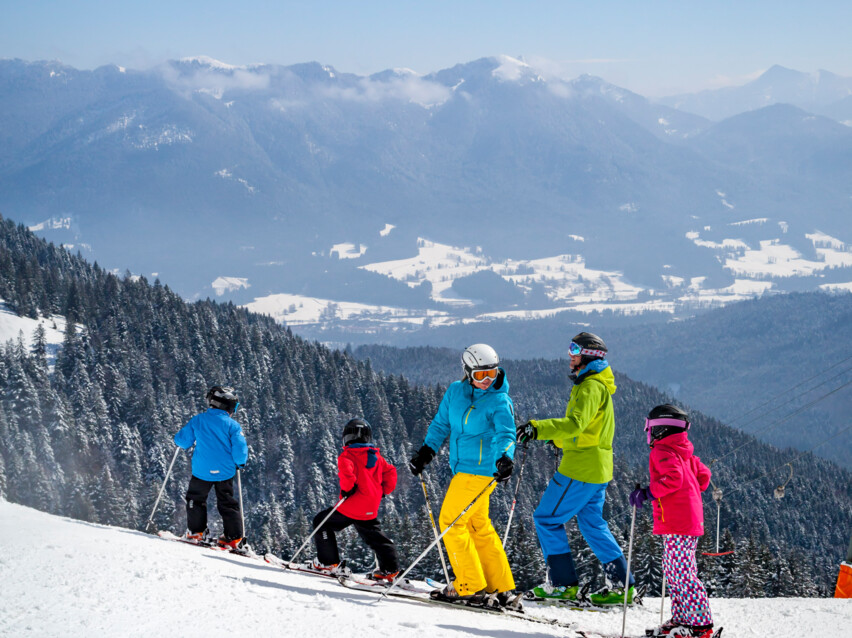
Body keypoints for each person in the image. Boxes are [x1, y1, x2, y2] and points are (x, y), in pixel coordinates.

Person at [517, 332, 635, 606]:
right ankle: (622, 585)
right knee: (592, 523)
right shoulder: (597, 385)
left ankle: (562, 585)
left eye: (575, 350)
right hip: (597, 467)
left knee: (546, 518)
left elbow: (575, 424)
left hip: (580, 469)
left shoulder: (591, 387)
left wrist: (538, 428)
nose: (570, 355)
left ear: (589, 355)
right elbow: (587, 431)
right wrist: (555, 438)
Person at [409, 343, 519, 608]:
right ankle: (500, 586)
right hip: (462, 469)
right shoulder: (455, 392)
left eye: (492, 374)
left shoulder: (499, 401)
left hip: (481, 471)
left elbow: (506, 433)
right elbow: (441, 424)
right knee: (477, 525)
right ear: (468, 372)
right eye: (481, 375)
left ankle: (468, 584)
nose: (487, 381)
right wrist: (427, 451)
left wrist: (505, 457)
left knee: (450, 520)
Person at [631, 404, 715, 638]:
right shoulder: (683, 451)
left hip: (678, 522)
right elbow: (704, 476)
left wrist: (648, 493)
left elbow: (674, 479)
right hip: (686, 519)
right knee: (675, 571)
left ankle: (701, 625)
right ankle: (682, 618)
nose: (649, 434)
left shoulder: (662, 451)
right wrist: (690, 495)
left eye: (650, 429)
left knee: (682, 573)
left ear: (661, 429)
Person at [311, 418, 400, 581]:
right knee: (375, 536)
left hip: (351, 505)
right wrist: (383, 491)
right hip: (370, 507)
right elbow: (392, 473)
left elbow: (347, 474)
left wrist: (347, 489)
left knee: (322, 522)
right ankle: (390, 569)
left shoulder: (347, 456)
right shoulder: (376, 457)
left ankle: (328, 562)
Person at [174, 386, 248, 549]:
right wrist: (240, 463)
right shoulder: (233, 426)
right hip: (225, 472)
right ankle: (233, 538)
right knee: (227, 503)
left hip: (202, 471)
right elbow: (240, 449)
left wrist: (180, 440)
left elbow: (182, 441)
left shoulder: (198, 420)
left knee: (195, 499)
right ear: (228, 406)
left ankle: (195, 532)